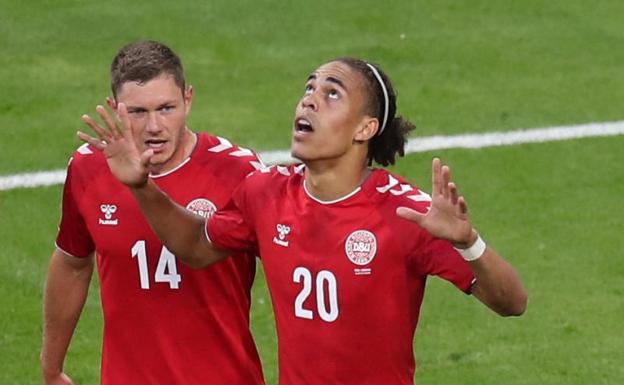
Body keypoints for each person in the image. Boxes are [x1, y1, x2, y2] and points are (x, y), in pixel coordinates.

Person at [79, 56, 528, 385]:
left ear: (365, 128)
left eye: (331, 94)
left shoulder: (407, 214)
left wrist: (469, 242)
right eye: (309, 88)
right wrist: (142, 186)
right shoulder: (265, 193)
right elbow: (196, 247)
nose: (309, 101)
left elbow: (512, 302)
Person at [41, 40, 266, 385]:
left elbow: (289, 269)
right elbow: (72, 262)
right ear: (116, 108)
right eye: (138, 112)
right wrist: (52, 366)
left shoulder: (240, 173)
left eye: (166, 108)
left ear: (188, 100)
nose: (154, 127)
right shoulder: (89, 168)